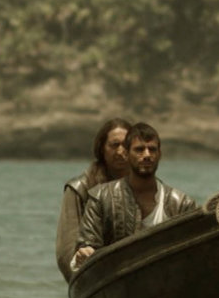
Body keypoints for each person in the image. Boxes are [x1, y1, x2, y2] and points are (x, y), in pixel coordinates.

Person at [71, 122, 198, 272]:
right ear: (126, 154)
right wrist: (84, 253)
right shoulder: (100, 198)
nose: (147, 155)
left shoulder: (182, 204)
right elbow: (87, 245)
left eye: (152, 149)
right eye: (139, 149)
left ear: (159, 154)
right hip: (117, 280)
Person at [55, 117, 133, 281]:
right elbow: (66, 253)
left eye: (126, 145)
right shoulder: (80, 189)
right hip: (95, 281)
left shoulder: (146, 189)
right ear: (102, 149)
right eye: (114, 145)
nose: (120, 151)